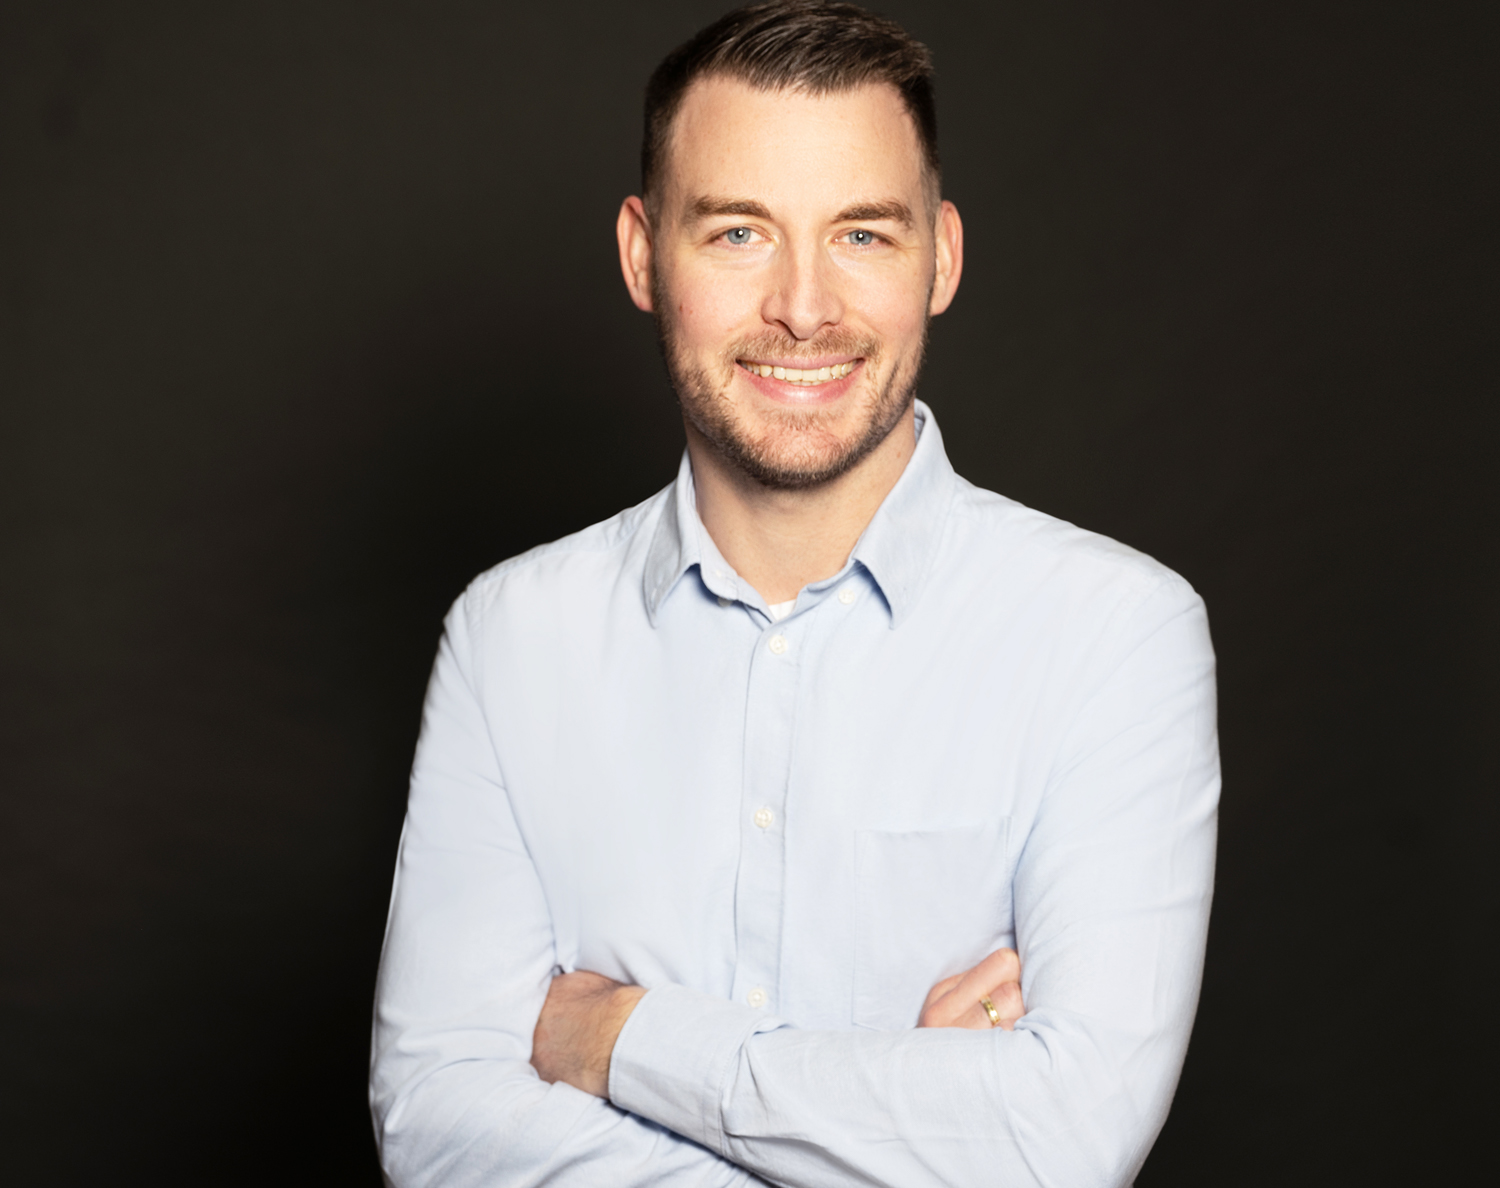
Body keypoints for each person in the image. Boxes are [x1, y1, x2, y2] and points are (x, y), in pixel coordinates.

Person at [369, 2, 1219, 1184]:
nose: (805, 308)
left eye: (862, 234)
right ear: (642, 256)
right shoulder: (510, 638)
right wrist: (904, 1130)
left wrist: (617, 1036)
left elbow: (1064, 1141)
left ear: (942, 258)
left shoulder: (1116, 637)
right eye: (738, 233)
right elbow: (438, 1125)